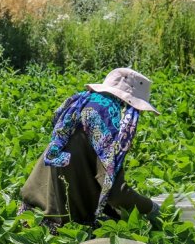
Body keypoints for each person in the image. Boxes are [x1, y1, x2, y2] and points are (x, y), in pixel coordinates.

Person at [20, 67, 161, 231]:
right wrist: (151, 207)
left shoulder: (83, 105)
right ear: (128, 106)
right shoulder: (108, 123)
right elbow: (117, 194)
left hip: (29, 212)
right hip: (55, 227)